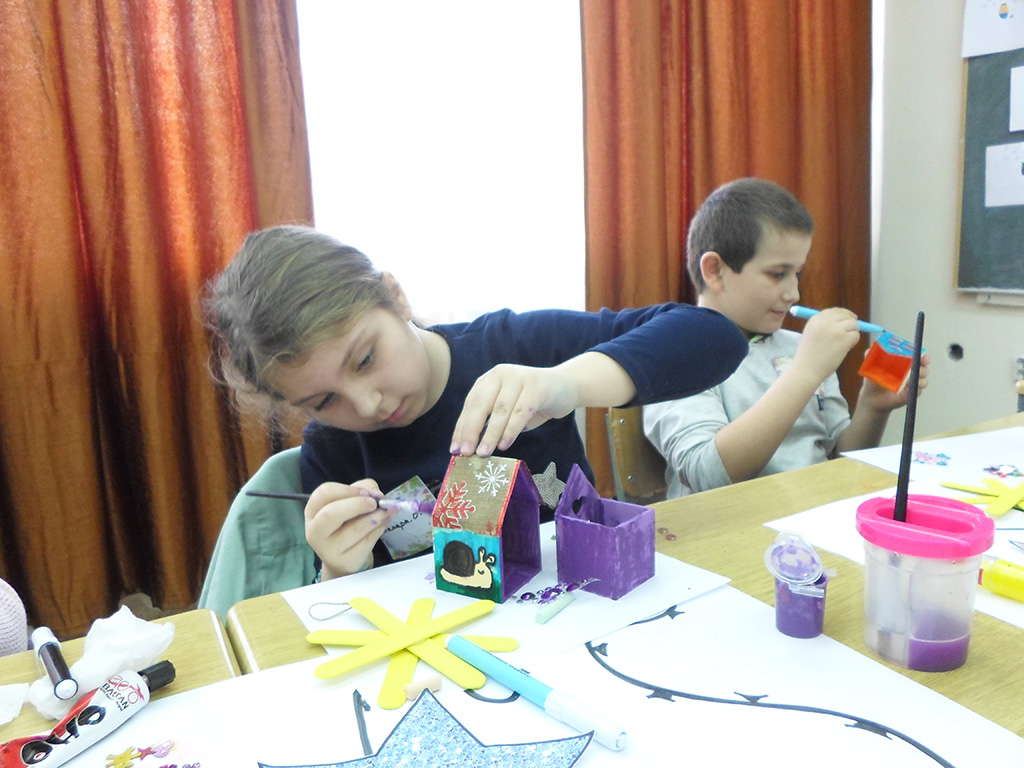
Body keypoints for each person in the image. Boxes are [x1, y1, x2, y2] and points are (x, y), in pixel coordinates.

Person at [204, 225, 747, 584]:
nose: (367, 404)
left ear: (395, 297)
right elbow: (349, 615)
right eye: (324, 400)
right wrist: (338, 570)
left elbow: (714, 337)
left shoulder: (512, 347)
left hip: (586, 604)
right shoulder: (334, 449)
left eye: (366, 358)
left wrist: (567, 384)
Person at [643, 178, 930, 499]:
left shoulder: (799, 347)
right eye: (777, 274)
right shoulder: (676, 354)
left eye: (797, 274)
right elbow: (708, 476)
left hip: (811, 514)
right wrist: (805, 372)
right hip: (728, 525)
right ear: (715, 271)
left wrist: (872, 406)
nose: (793, 293)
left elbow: (839, 461)